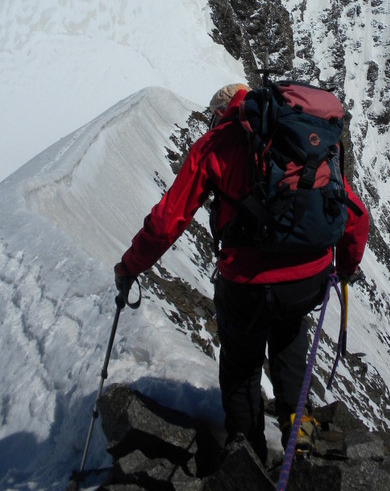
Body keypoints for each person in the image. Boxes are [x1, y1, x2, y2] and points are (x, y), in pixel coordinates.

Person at [114, 83, 369, 464]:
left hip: (248, 285)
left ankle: (247, 455)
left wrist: (130, 266)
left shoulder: (219, 143)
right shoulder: (305, 136)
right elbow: (355, 214)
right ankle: (297, 426)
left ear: (221, 112)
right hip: (308, 279)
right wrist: (345, 268)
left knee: (240, 368)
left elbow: (169, 220)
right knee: (289, 333)